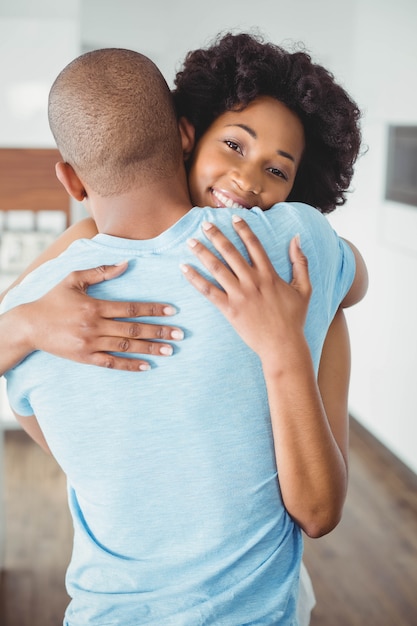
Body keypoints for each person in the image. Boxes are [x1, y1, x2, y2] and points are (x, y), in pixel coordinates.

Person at [1, 47, 361, 625]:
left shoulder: (35, 314)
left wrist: (20, 324)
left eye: (276, 169)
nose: (245, 180)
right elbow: (354, 279)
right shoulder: (298, 244)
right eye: (235, 145)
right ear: (187, 136)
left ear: (70, 178)